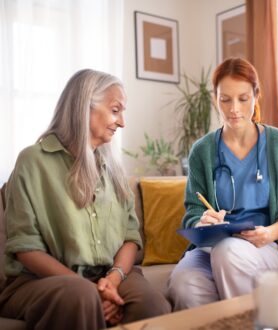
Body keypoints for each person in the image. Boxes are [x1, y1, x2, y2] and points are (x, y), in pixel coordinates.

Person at [0, 69, 171, 329]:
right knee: (79, 297)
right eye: (115, 110)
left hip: (110, 275)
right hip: (38, 281)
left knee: (152, 305)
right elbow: (26, 248)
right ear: (84, 107)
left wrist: (112, 280)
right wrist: (90, 289)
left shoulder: (113, 167)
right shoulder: (33, 162)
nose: (122, 122)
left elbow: (130, 237)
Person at [167, 58, 278, 310]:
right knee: (184, 284)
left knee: (228, 252)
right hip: (212, 247)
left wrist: (270, 233)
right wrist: (202, 221)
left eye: (243, 98)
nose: (234, 109)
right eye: (225, 99)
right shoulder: (202, 151)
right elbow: (192, 211)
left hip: (265, 246)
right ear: (215, 99)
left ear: (256, 96)